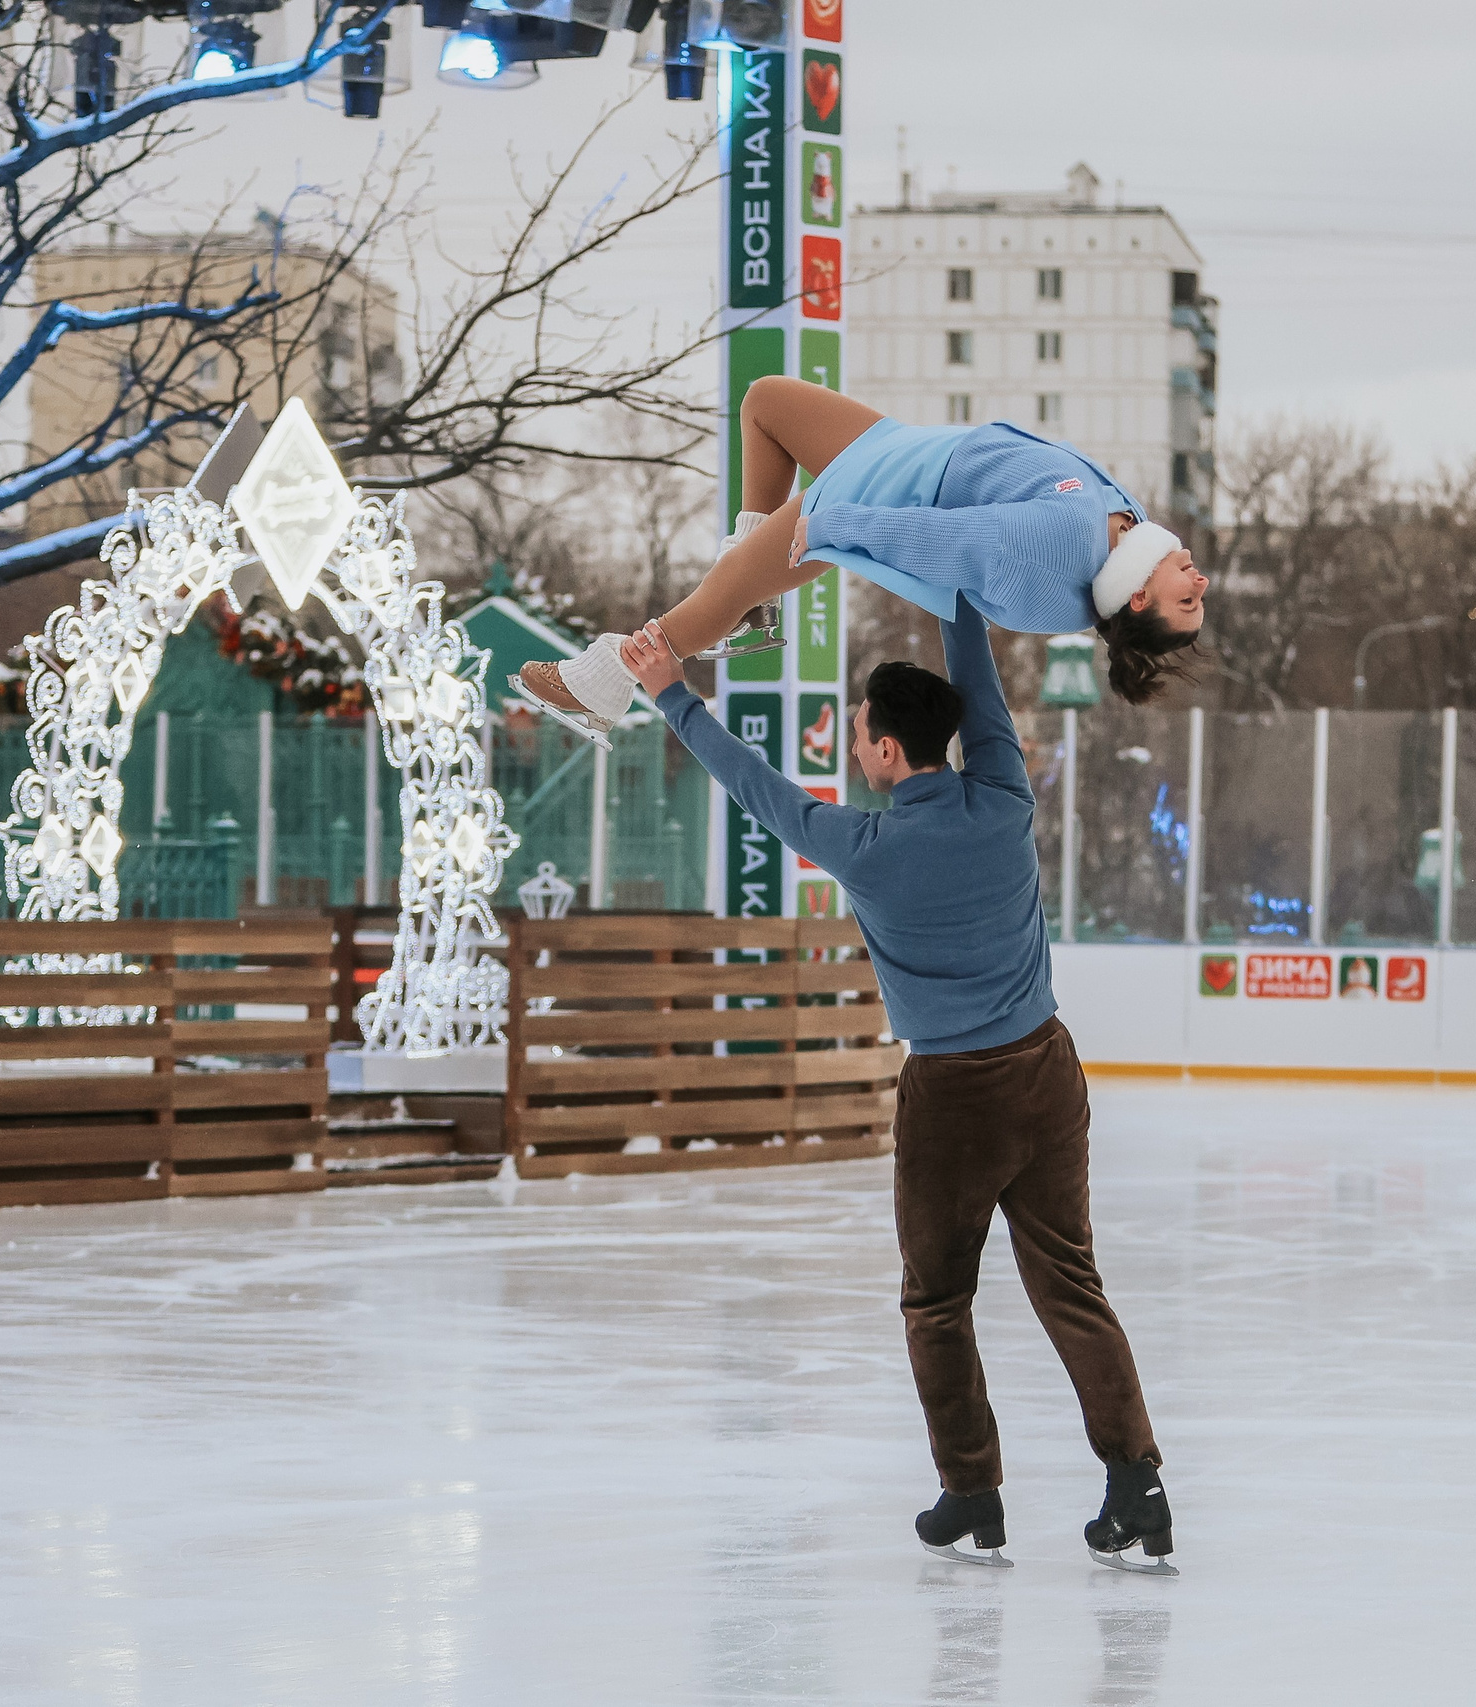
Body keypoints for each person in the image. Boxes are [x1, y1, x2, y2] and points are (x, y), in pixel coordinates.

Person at [613, 610, 1177, 1577]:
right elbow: (983, 688)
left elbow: (756, 788)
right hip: (1047, 1072)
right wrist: (954, 585)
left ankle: (972, 1489)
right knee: (1070, 1287)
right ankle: (1139, 1485)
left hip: (953, 1098)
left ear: (882, 746)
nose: (856, 740)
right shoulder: (1003, 796)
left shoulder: (863, 847)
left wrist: (671, 691)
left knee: (937, 1301)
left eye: (860, 726)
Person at [516, 378, 1207, 742]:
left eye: (1188, 598)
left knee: (715, 595)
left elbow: (947, 544)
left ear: (1137, 599)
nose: (1199, 580)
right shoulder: (1132, 528)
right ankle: (751, 597)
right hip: (906, 448)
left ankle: (602, 680)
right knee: (765, 405)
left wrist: (838, 525)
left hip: (890, 488)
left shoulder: (1064, 550)